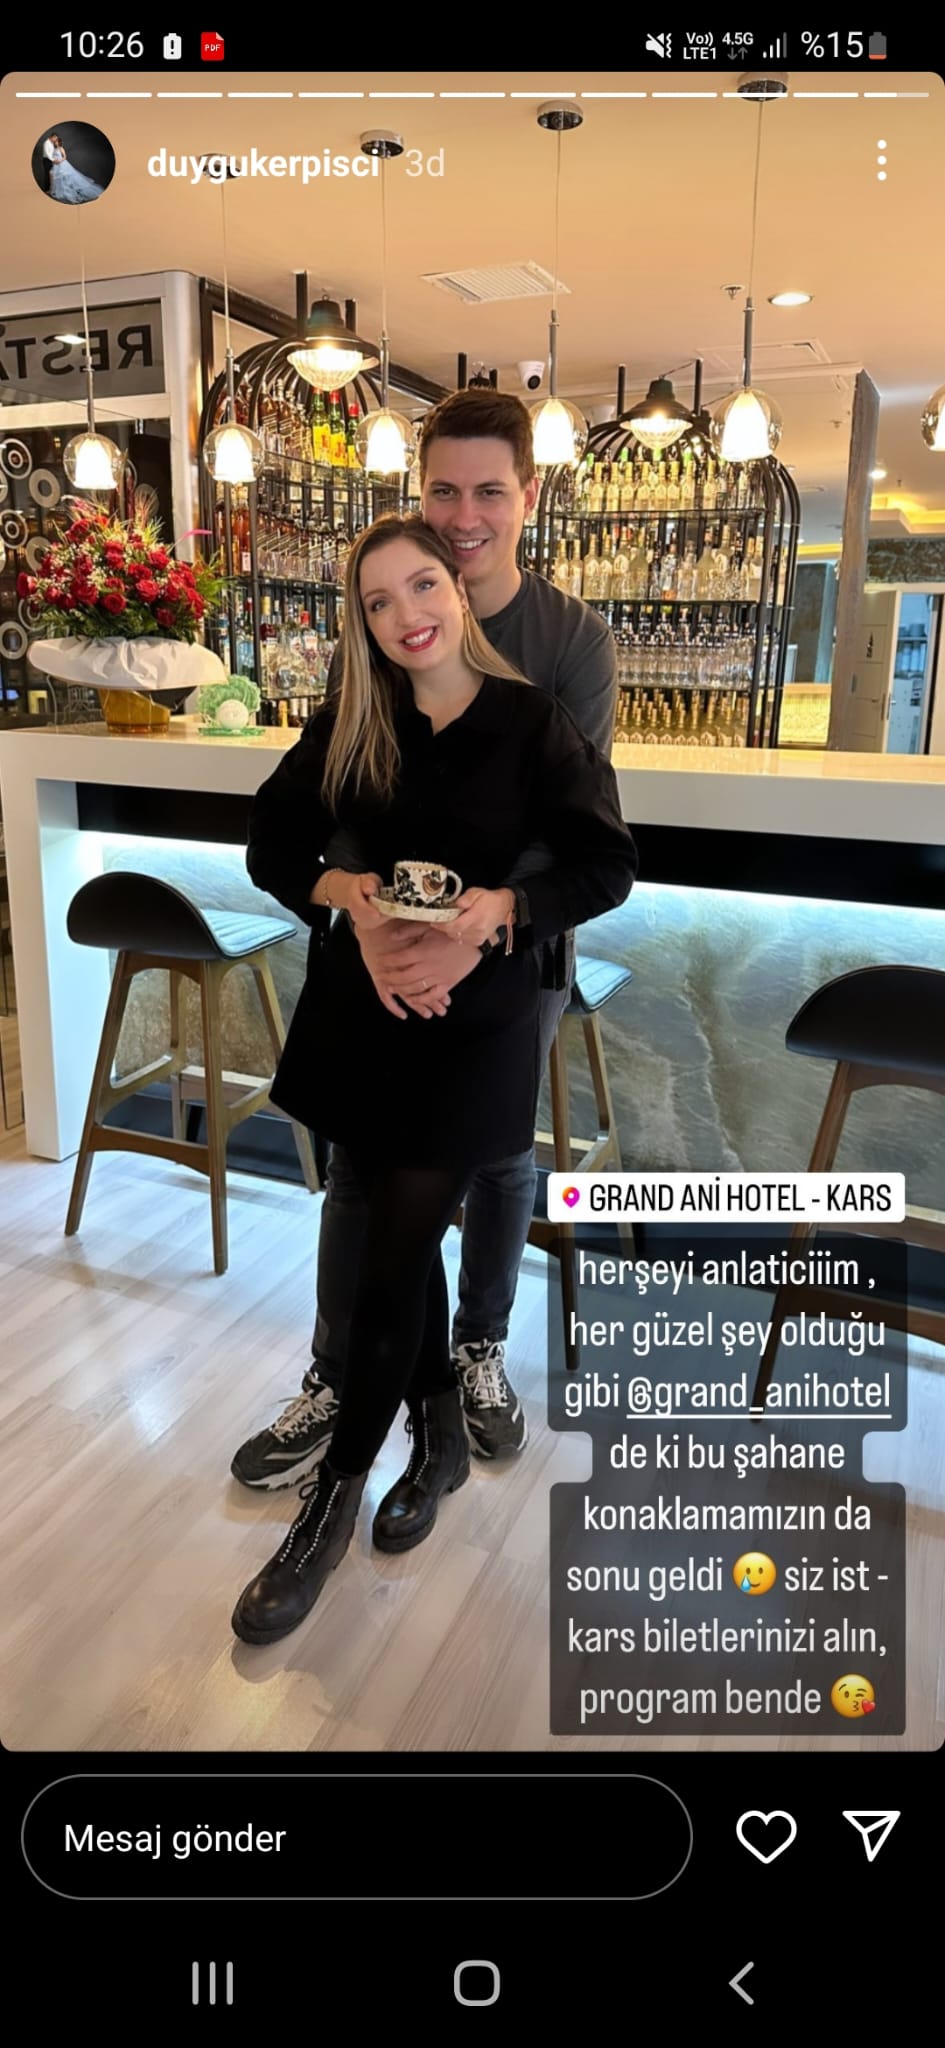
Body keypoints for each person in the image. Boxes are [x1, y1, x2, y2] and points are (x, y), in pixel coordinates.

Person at [231, 513, 636, 1645]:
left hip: (477, 1022)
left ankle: (327, 1507)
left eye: (421, 586)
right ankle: (441, 1433)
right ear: (362, 623)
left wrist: (505, 909)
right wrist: (348, 901)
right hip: (364, 1013)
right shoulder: (353, 722)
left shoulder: (533, 721)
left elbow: (607, 862)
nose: (404, 614)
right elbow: (270, 841)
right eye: (377, 601)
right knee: (392, 1245)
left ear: (458, 591)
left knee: (387, 1260)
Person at [45, 134, 104, 204]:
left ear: (59, 142)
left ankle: (66, 191)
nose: (55, 143)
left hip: (62, 164)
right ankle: (54, 190)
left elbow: (65, 157)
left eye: (56, 142)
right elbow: (53, 158)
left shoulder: (61, 148)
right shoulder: (54, 149)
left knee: (64, 176)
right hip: (56, 165)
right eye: (55, 142)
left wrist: (60, 161)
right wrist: (54, 161)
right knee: (53, 175)